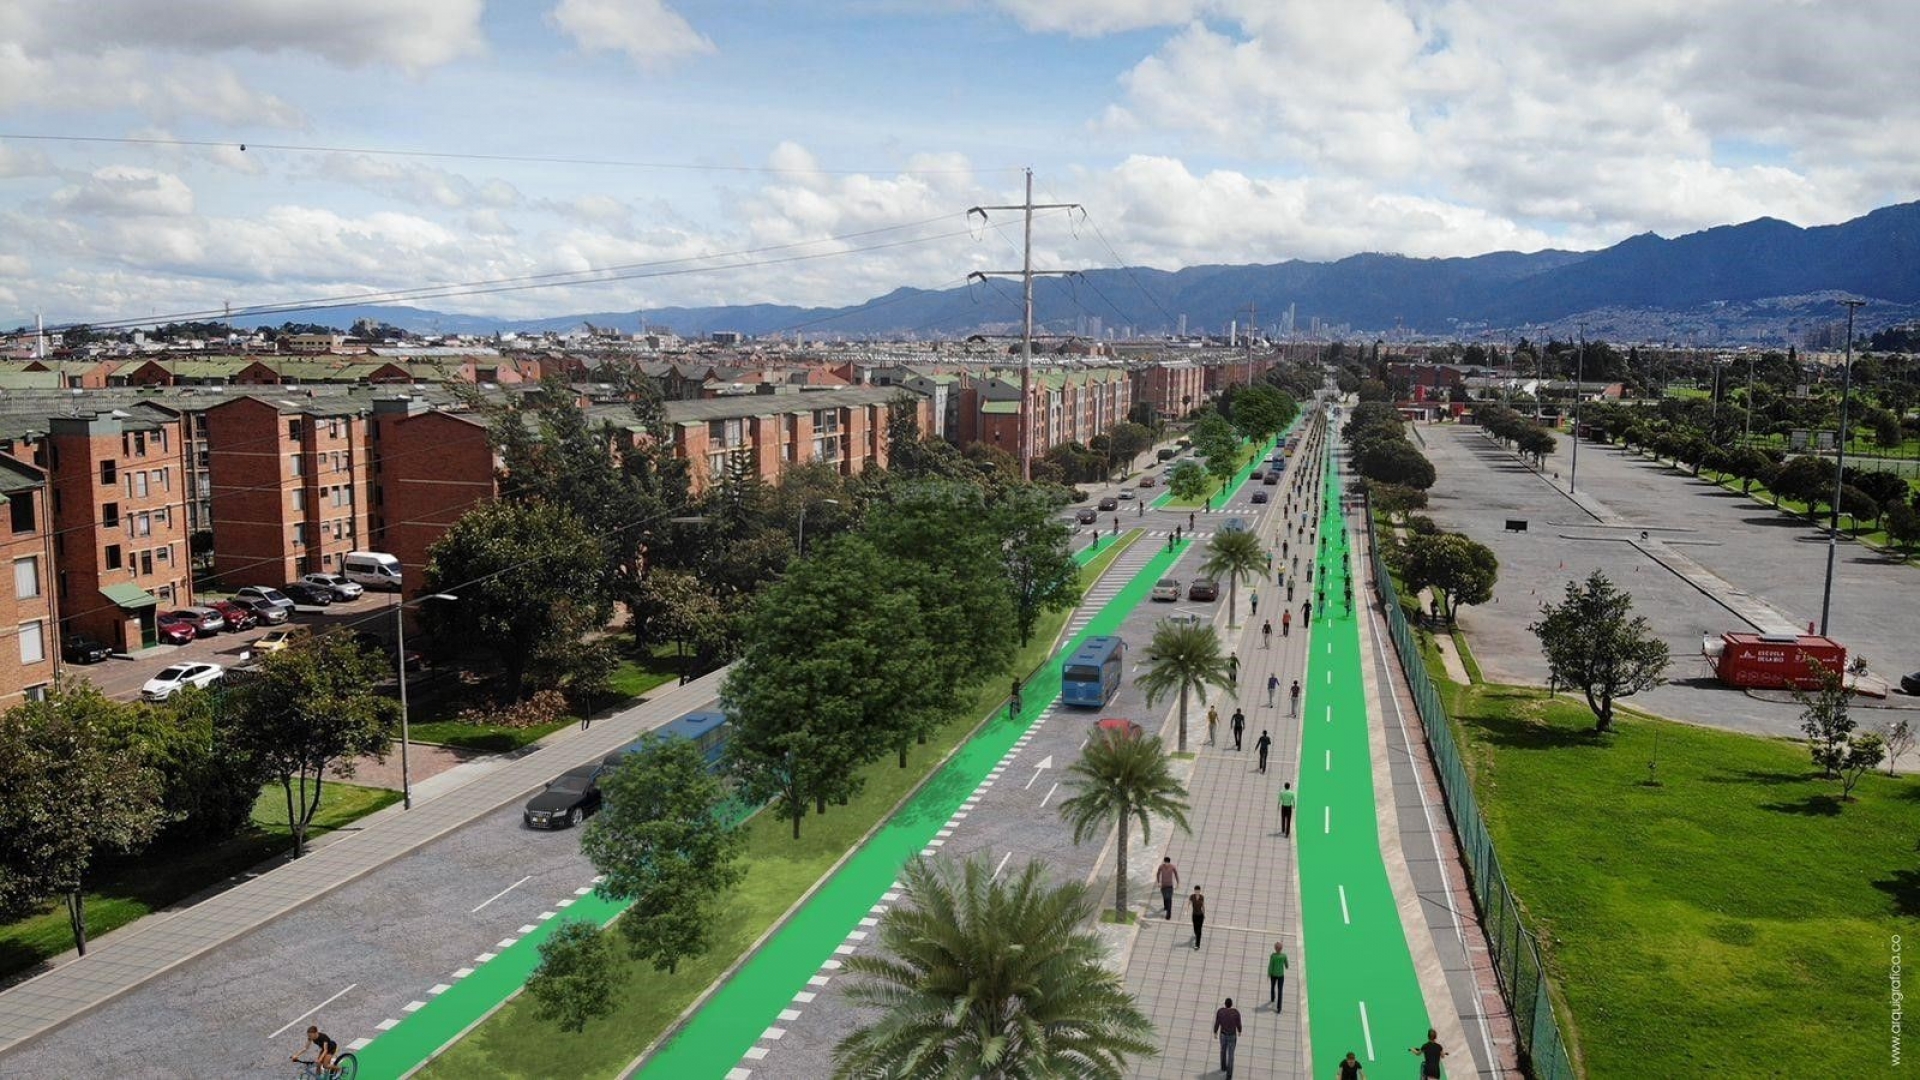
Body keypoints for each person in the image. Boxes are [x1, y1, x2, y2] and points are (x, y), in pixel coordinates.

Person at [1213, 997, 1243, 1078]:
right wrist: (1239, 1031)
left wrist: (1215, 1031)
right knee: (1231, 1055)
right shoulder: (1236, 1012)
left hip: (1223, 1034)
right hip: (1232, 1035)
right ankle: (1229, 1075)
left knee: (1223, 1051)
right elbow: (1238, 1024)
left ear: (1225, 1004)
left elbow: (1217, 1023)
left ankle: (1223, 1067)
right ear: (1231, 1004)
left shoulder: (1220, 1011)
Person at [1268, 942, 1289, 1012]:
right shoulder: (1284, 956)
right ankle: (1279, 1008)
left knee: (1272, 986)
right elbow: (1287, 965)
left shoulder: (1273, 956)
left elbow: (1271, 965)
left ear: (1275, 948)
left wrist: (1269, 973)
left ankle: (1272, 998)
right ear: (1281, 949)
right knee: (1280, 991)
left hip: (1273, 975)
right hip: (1281, 975)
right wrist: (1286, 965)